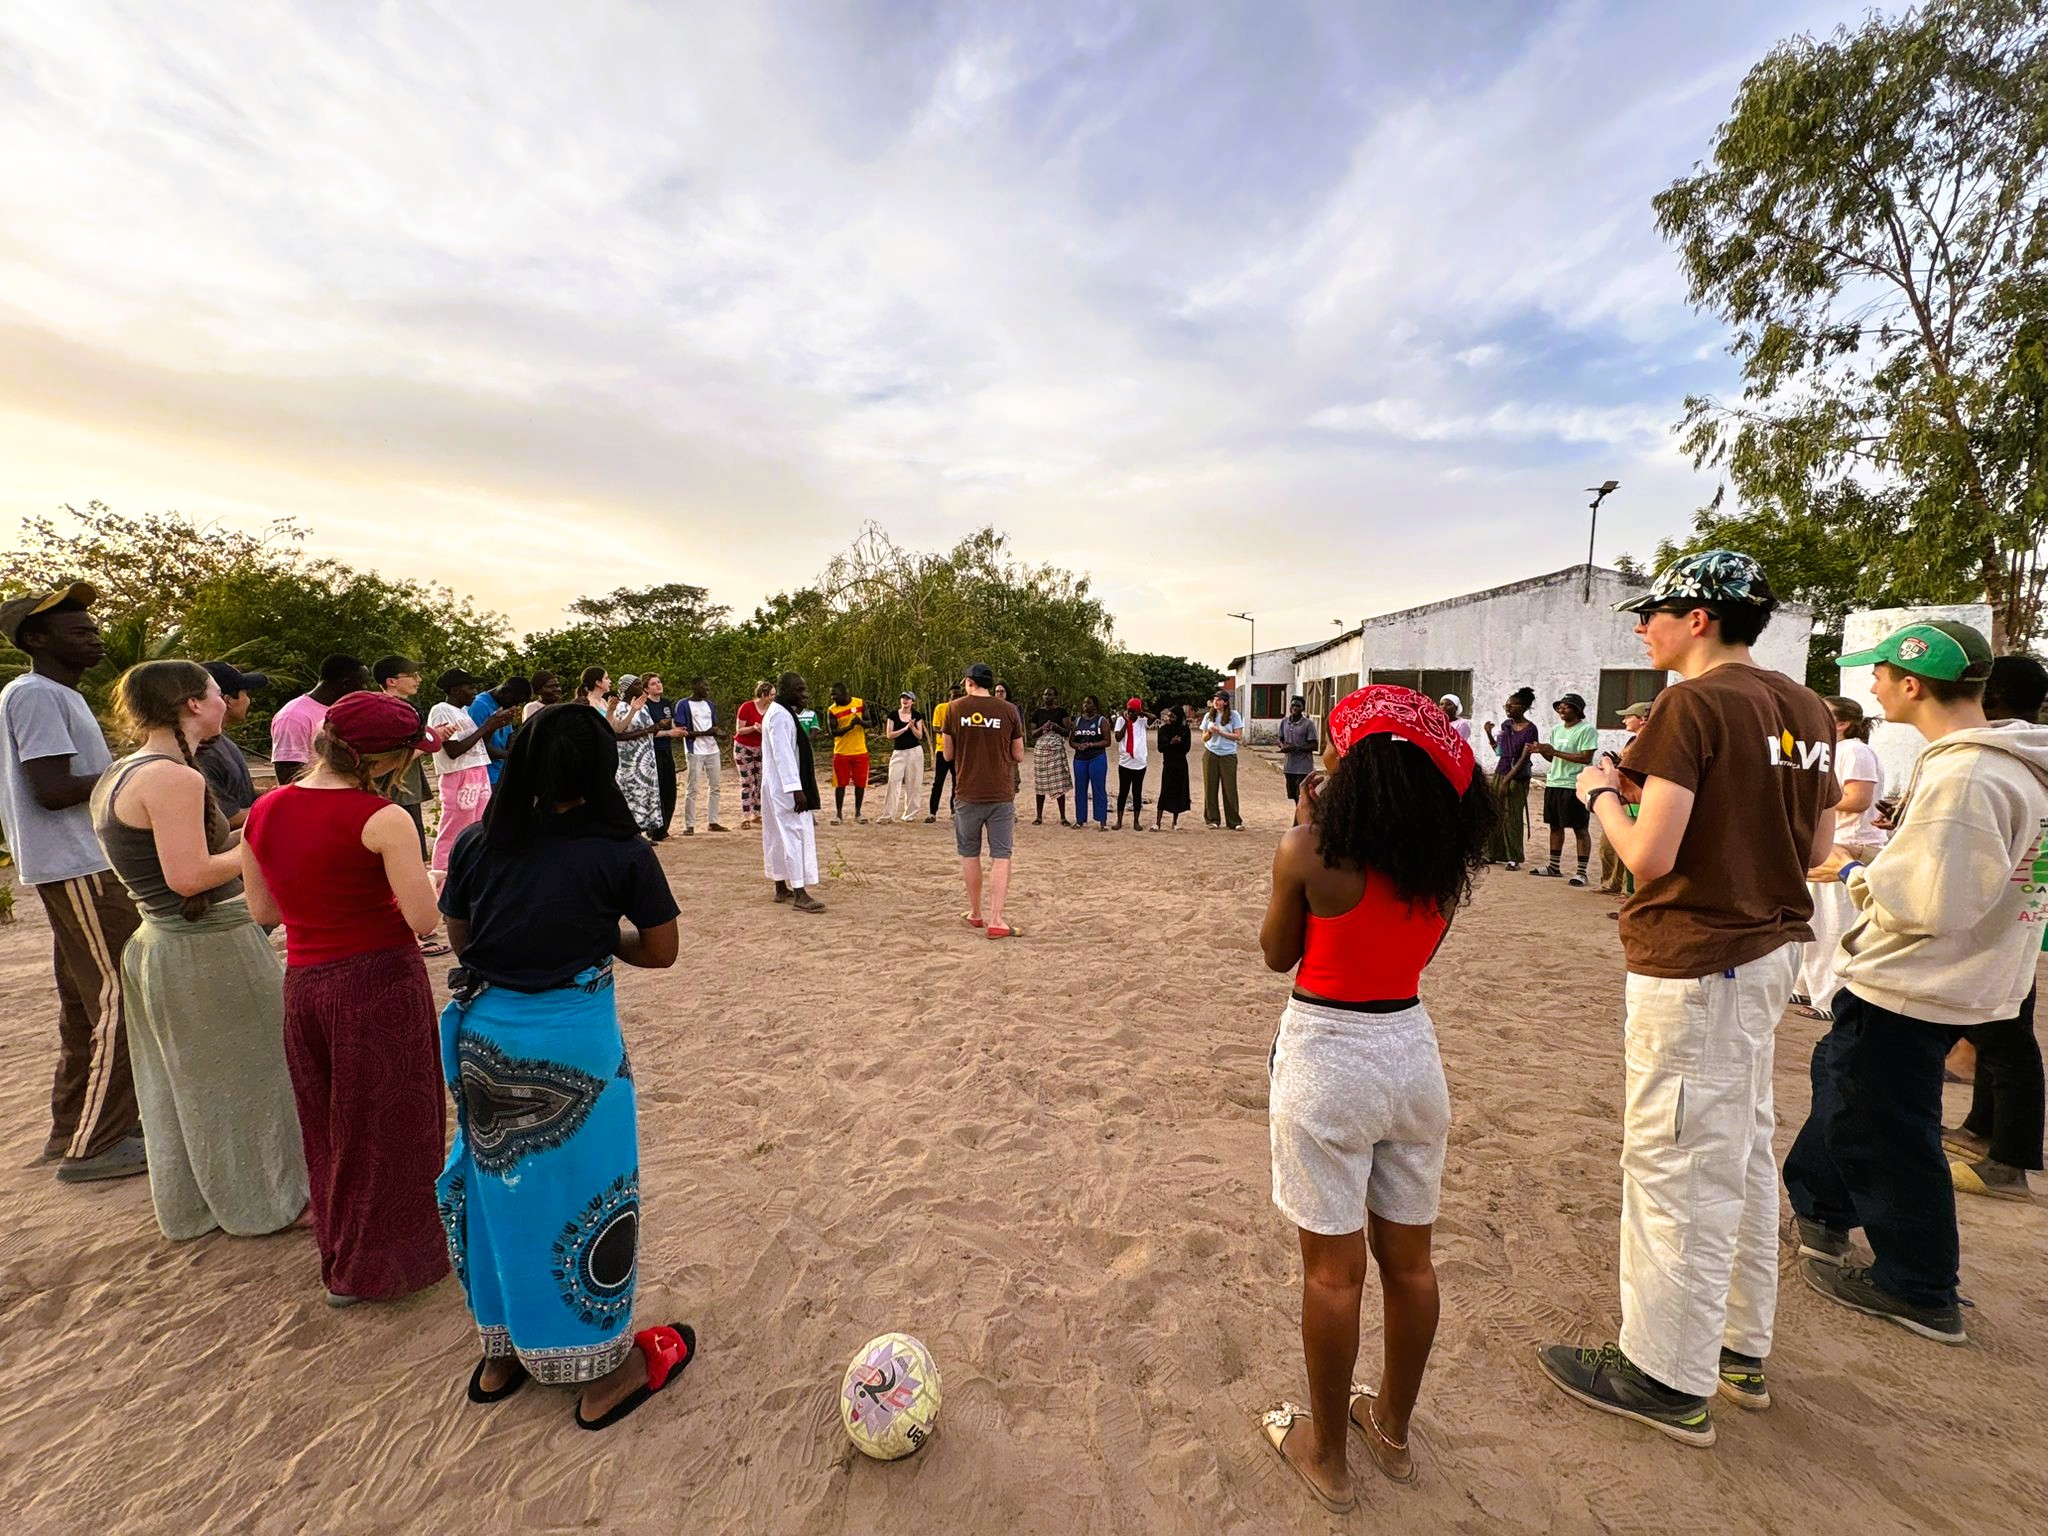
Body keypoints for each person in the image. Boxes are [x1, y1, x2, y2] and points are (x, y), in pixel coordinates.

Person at [1540, 550, 1836, 1446]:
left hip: (1701, 953)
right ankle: (1737, 1345)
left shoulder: (1694, 702)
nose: (1643, 627)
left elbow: (1649, 854)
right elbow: (1818, 837)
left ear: (1700, 617)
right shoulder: (1804, 705)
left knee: (1674, 1159)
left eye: (1656, 612)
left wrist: (1598, 791)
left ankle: (1666, 1373)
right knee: (1739, 1149)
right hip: (1770, 947)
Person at [1255, 686, 1496, 1512]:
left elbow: (1277, 955)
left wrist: (1304, 826)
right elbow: (1414, 952)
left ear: (1354, 764)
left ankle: (1327, 1457)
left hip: (1329, 1056)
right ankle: (1390, 1429)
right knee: (1411, 1263)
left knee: (1332, 1275)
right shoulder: (1442, 863)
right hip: (1410, 1053)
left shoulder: (1310, 849)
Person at [1786, 621, 2048, 1345]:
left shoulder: (1970, 774)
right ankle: (1820, 1205)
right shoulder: (2001, 762)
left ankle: (1919, 1284)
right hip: (1955, 975)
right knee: (1844, 1084)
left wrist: (1849, 871)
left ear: (1911, 682)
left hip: (1917, 980)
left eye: (1878, 673)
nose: (1870, 686)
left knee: (1889, 1126)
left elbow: (1936, 900)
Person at [436, 702, 696, 1429]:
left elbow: (462, 936)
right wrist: (598, 934)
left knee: (499, 1192)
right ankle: (602, 1372)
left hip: (487, 1042)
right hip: (576, 1042)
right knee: (590, 1197)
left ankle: (503, 1351)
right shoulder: (622, 852)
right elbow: (661, 948)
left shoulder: (480, 843)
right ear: (600, 767)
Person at [242, 691, 452, 1305]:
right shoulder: (384, 818)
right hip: (378, 981)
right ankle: (384, 1265)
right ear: (384, 759)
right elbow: (423, 919)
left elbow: (263, 911)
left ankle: (340, 1251)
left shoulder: (265, 809)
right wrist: (432, 881)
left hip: (306, 984)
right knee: (393, 1125)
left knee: (328, 1122)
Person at [91, 660, 307, 1240]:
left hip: (164, 943)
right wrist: (269, 845)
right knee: (250, 1078)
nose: (223, 703)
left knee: (187, 1084)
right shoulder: (173, 776)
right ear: (191, 704)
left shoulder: (124, 771)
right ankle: (266, 1202)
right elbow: (189, 875)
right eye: (215, 694)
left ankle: (211, 1199)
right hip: (204, 949)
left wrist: (264, 822)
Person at [0, 583, 146, 1183]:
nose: (95, 637)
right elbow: (53, 788)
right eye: (78, 631)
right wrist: (133, 772)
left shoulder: (54, 694)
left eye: (93, 628)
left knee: (85, 1002)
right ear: (35, 639)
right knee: (122, 993)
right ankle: (97, 1144)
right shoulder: (35, 695)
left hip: (79, 865)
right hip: (77, 866)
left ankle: (73, 1126)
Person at [1944, 653, 2048, 1202]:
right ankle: (1983, 1126)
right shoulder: (2031, 757)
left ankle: (2012, 1160)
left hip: (1997, 915)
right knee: (1995, 1028)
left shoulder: (1998, 760)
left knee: (2008, 1039)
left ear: (1997, 697)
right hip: (2019, 911)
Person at [1791, 697, 1885, 1021]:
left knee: (1834, 927)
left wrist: (1807, 799)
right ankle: (1807, 985)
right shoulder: (1832, 751)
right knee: (1815, 922)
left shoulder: (1854, 751)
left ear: (1842, 723)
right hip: (1828, 844)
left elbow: (1858, 799)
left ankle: (1832, 998)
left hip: (1848, 846)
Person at [948, 664, 1024, 937]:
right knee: (1001, 855)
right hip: (1000, 792)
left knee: (970, 853)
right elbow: (1018, 754)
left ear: (969, 681)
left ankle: (976, 913)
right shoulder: (1008, 710)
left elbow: (947, 753)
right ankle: (997, 919)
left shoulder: (953, 708)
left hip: (967, 791)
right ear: (990, 684)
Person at [429, 671, 514, 883]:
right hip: (460, 775)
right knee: (454, 830)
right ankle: (443, 881)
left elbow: (476, 743)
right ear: (456, 690)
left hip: (478, 771)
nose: (474, 693)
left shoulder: (463, 712)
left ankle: (472, 878)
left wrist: (494, 726)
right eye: (470, 687)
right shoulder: (442, 710)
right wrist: (486, 726)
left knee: (478, 827)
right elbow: (453, 749)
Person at [761, 673, 825, 913]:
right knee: (793, 834)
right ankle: (799, 892)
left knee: (777, 834)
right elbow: (783, 755)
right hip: (785, 787)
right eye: (799, 690)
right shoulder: (779, 716)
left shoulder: (781, 713)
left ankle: (781, 886)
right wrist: (796, 790)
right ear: (784, 691)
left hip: (777, 785)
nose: (804, 695)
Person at [1528, 693, 1599, 884]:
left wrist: (1555, 751)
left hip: (1574, 784)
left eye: (1566, 706)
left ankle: (1581, 872)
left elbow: (1586, 758)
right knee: (1555, 825)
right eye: (1559, 706)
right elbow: (1553, 759)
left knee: (1580, 828)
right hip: (1554, 783)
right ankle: (1553, 866)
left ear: (1577, 710)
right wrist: (1543, 751)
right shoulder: (1556, 730)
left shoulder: (1587, 730)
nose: (1561, 709)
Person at [269, 654, 369, 786]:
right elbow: (287, 773)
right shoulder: (294, 716)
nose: (366, 688)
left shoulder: (340, 710)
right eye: (362, 683)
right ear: (346, 684)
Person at [196, 661, 271, 830]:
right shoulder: (201, 753)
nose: (248, 700)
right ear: (228, 701)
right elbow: (228, 818)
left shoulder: (220, 738)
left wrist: (274, 793)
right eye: (246, 693)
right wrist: (280, 806)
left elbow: (235, 790)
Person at [1596, 701, 1653, 895]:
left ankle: (1630, 893)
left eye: (1629, 716)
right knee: (1610, 846)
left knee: (1629, 849)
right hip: (1625, 800)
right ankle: (1613, 884)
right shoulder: (1634, 742)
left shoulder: (1650, 744)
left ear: (1643, 720)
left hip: (1638, 802)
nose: (1624, 720)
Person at [1482, 688, 1539, 870]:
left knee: (1512, 816)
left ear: (1522, 707)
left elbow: (1524, 758)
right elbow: (1500, 751)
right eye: (1506, 705)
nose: (1507, 708)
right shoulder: (1506, 725)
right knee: (1495, 813)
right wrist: (1489, 734)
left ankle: (1513, 856)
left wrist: (1507, 780)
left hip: (1517, 776)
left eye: (1511, 705)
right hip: (1501, 771)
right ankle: (1493, 853)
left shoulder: (1530, 729)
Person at [609, 677, 664, 837]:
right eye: (637, 684)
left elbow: (648, 728)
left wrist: (655, 728)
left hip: (646, 759)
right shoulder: (620, 708)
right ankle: (634, 832)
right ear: (627, 688)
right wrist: (644, 732)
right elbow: (617, 734)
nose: (641, 686)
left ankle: (646, 832)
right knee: (632, 795)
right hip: (630, 761)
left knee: (646, 794)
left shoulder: (643, 707)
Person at [678, 677, 726, 835]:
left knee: (715, 787)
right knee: (693, 788)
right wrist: (706, 733)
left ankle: (713, 821)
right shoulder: (683, 705)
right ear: (695, 686)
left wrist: (719, 733)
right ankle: (689, 825)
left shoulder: (710, 705)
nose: (707, 688)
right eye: (704, 685)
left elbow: (713, 726)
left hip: (712, 749)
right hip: (695, 750)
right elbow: (682, 731)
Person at [471, 676, 534, 788]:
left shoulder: (503, 705)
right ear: (505, 691)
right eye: (515, 701)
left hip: (501, 772)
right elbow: (478, 747)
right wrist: (513, 755)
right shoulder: (478, 706)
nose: (515, 706)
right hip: (487, 776)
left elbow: (506, 739)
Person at [641, 673, 679, 840]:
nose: (658, 685)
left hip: (667, 749)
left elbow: (672, 724)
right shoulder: (645, 705)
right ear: (646, 689)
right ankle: (656, 829)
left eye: (659, 682)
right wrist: (669, 732)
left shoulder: (666, 703)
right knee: (657, 789)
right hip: (652, 751)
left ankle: (664, 827)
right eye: (653, 683)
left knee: (670, 789)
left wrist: (678, 730)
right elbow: (648, 732)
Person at [1201, 690, 1246, 830]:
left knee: (1229, 788)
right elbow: (1204, 737)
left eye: (1219, 699)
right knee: (1210, 787)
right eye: (1215, 699)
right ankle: (1212, 819)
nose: (1216, 702)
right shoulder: (1209, 716)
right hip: (1211, 753)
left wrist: (1221, 732)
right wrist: (1210, 732)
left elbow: (1238, 736)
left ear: (1225, 702)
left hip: (1228, 754)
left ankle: (1234, 821)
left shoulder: (1234, 716)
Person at [827, 683, 870, 825]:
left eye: (836, 694)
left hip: (860, 751)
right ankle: (838, 814)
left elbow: (870, 722)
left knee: (860, 784)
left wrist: (861, 722)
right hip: (841, 752)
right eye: (832, 694)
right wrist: (849, 727)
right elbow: (833, 732)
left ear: (845, 693)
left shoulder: (860, 703)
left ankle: (858, 812)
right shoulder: (832, 710)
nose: (833, 697)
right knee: (840, 784)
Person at [881, 691, 927, 823]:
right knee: (893, 781)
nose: (905, 700)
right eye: (903, 698)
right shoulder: (893, 715)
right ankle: (888, 814)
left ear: (913, 701)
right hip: (899, 752)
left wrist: (912, 727)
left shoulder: (917, 715)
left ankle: (910, 814)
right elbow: (889, 735)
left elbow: (919, 735)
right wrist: (905, 728)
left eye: (908, 698)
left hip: (914, 752)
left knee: (914, 783)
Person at [1030, 687, 1071, 826]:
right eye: (1045, 694)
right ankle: (1039, 816)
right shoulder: (1037, 712)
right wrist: (1043, 728)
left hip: (1056, 748)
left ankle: (1063, 817)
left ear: (1055, 697)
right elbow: (1033, 733)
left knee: (1059, 783)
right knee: (1040, 784)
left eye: (1050, 695)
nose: (1047, 697)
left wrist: (1055, 727)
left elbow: (1067, 731)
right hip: (1041, 750)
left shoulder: (1061, 712)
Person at [734, 681, 771, 832]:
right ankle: (746, 814)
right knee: (747, 781)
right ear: (763, 694)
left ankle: (757, 812)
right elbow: (739, 730)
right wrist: (754, 728)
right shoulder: (747, 707)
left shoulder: (771, 710)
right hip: (744, 748)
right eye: (771, 695)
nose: (773, 698)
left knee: (761, 780)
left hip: (762, 748)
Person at [1070, 695, 1111, 830]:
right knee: (1080, 789)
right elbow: (1072, 741)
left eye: (1089, 703)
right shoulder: (1078, 721)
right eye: (1084, 703)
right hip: (1080, 759)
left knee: (1098, 789)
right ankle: (1080, 819)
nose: (1085, 705)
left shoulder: (1101, 721)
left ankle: (1102, 820)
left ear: (1095, 705)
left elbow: (1107, 741)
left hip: (1096, 758)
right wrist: (1078, 746)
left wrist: (1091, 745)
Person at [926, 683, 965, 822]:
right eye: (954, 695)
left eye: (959, 695)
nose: (956, 697)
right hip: (942, 749)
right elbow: (936, 727)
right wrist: (949, 731)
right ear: (950, 695)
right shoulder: (941, 708)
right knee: (938, 782)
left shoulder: (963, 709)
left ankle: (953, 810)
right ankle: (932, 812)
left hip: (959, 751)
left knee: (957, 782)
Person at [1154, 705, 1193, 831]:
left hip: (1181, 765)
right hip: (1169, 765)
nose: (1170, 718)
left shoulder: (1185, 730)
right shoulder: (1163, 730)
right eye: (1169, 716)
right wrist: (1171, 742)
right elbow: (1160, 748)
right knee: (1164, 792)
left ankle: (1175, 822)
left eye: (1173, 716)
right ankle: (1158, 822)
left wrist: (1179, 742)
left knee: (1179, 793)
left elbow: (1186, 748)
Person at [1113, 698, 1150, 831]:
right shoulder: (1121, 720)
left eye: (1133, 711)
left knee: (1137, 792)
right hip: (1125, 762)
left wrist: (1141, 713)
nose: (1131, 713)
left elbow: (1153, 717)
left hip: (1140, 763)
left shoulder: (1142, 721)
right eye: (1129, 711)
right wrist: (1127, 721)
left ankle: (1136, 821)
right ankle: (1119, 820)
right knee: (1123, 792)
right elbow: (1118, 737)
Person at [1279, 697, 1320, 802]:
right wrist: (1282, 746)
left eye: (1298, 706)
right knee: (1293, 795)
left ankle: (1301, 818)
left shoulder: (1308, 724)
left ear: (1303, 708)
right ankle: (1299, 816)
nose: (1295, 708)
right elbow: (1280, 739)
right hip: (1289, 767)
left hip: (1303, 768)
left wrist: (1296, 748)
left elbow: (1314, 745)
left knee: (1301, 796)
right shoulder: (1284, 722)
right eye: (1293, 705)